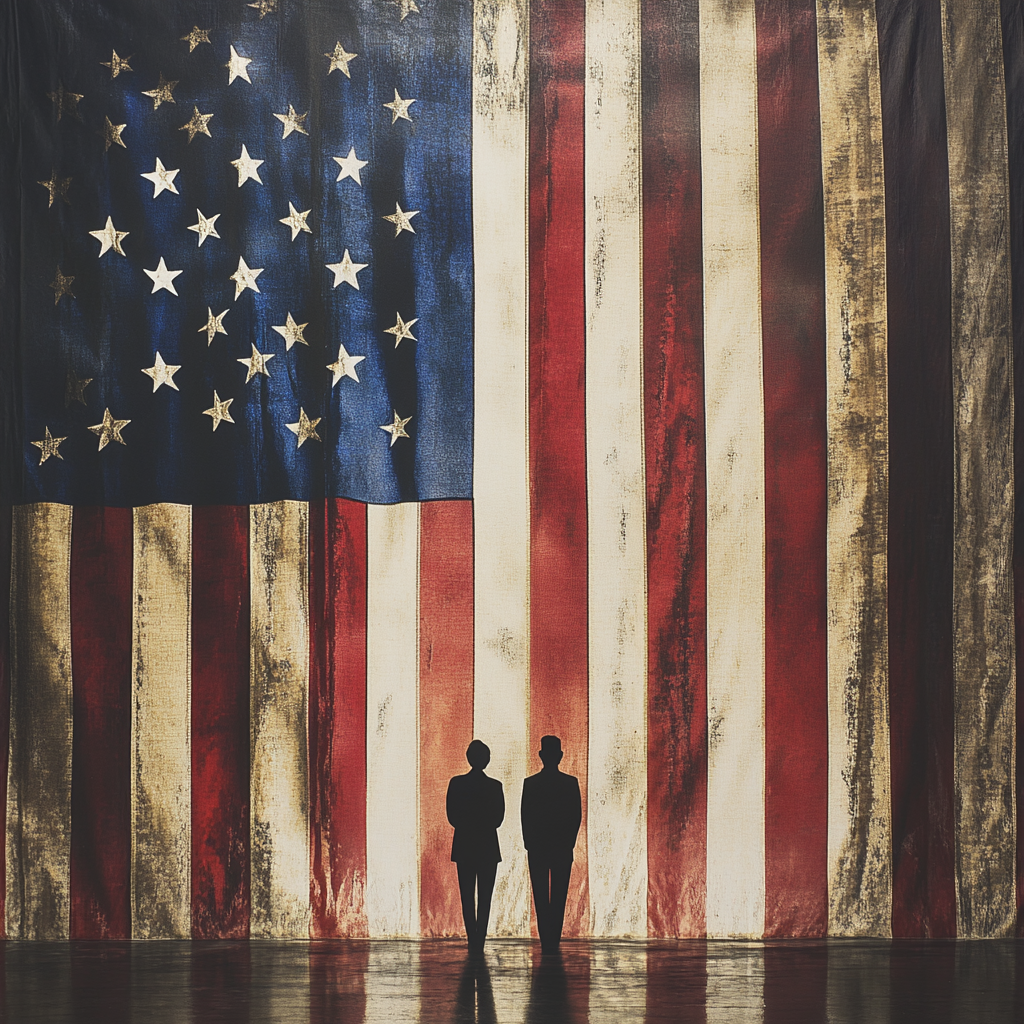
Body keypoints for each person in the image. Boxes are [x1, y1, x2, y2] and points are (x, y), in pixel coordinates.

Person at [521, 735, 582, 954]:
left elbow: (525, 816)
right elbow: (575, 816)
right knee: (559, 896)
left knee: (540, 896)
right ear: (560, 756)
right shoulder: (570, 783)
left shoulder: (531, 783)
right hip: (561, 848)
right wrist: (568, 844)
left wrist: (530, 844)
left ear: (541, 755)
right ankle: (552, 939)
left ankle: (546, 939)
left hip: (538, 847)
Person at [446, 739, 505, 953]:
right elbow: (498, 819)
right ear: (487, 760)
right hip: (488, 846)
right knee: (485, 896)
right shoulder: (495, 786)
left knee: (467, 895)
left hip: (465, 845)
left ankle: (473, 937)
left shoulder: (457, 783)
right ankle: (480, 937)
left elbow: (452, 816)